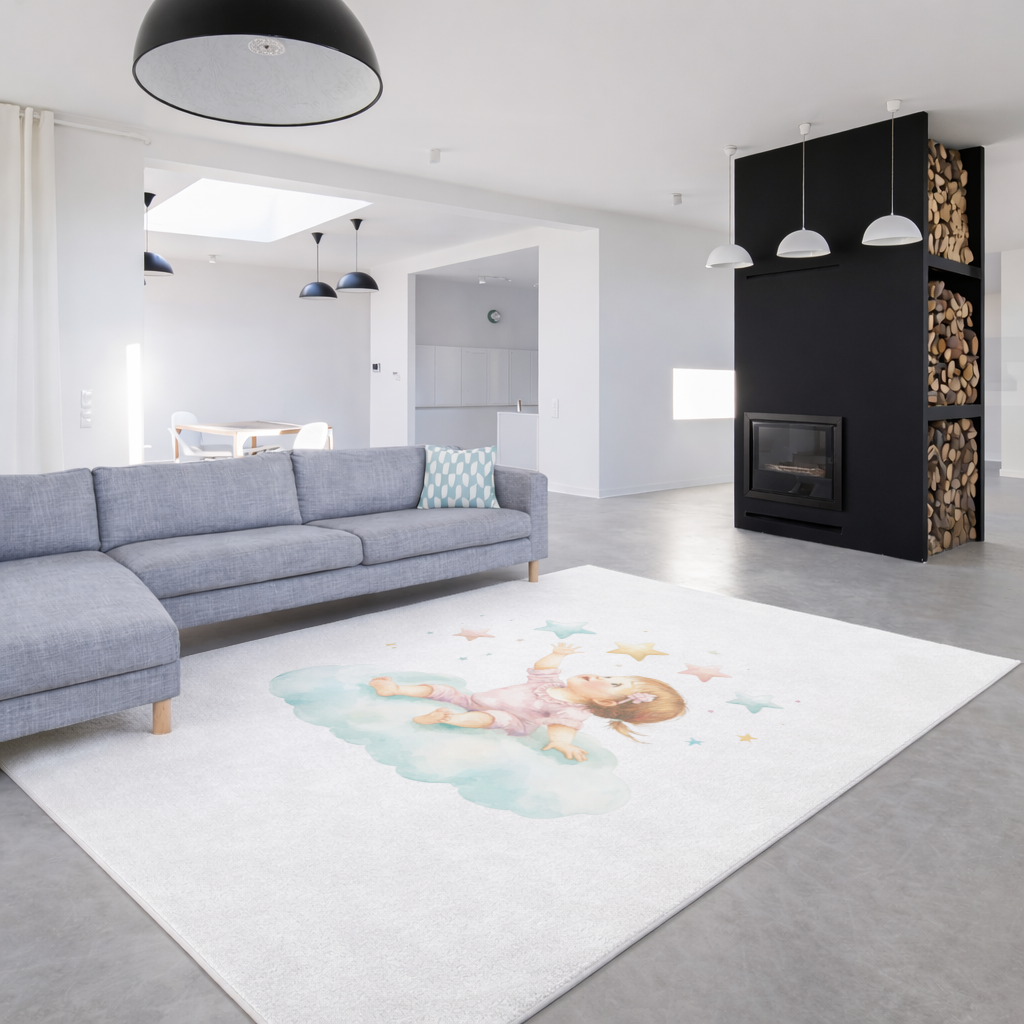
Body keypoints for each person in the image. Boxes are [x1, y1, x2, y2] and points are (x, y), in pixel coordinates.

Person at [368, 642, 687, 762]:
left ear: (606, 702)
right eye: (614, 675)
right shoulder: (552, 684)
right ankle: (397, 689)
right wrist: (557, 654)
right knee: (443, 689)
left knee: (493, 718)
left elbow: (563, 729)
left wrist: (562, 744)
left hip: (513, 721)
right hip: (474, 699)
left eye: (614, 684)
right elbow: (544, 668)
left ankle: (447, 720)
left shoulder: (570, 709)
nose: (602, 675)